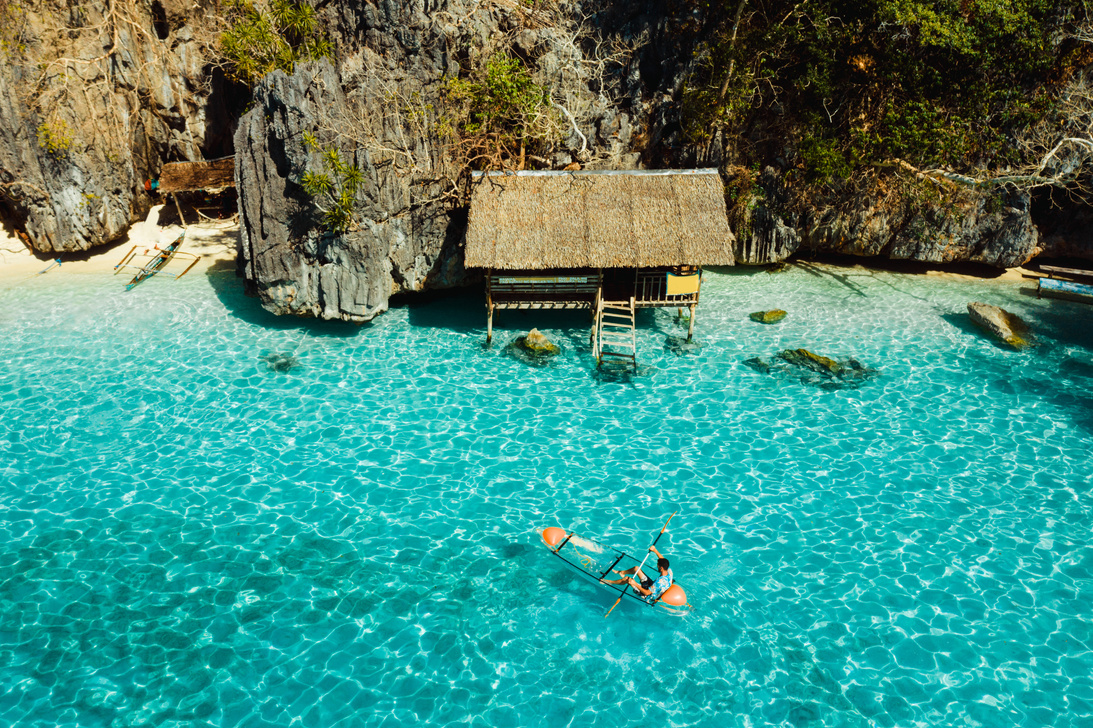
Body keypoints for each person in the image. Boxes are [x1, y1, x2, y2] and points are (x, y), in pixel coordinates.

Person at [602, 545, 673, 603]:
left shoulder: (659, 582)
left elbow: (647, 593)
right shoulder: (669, 572)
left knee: (627, 579)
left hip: (646, 595)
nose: (656, 566)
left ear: (661, 568)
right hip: (651, 586)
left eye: (658, 565)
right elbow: (663, 560)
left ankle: (608, 582)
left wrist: (635, 584)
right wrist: (655, 550)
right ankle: (622, 572)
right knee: (636, 568)